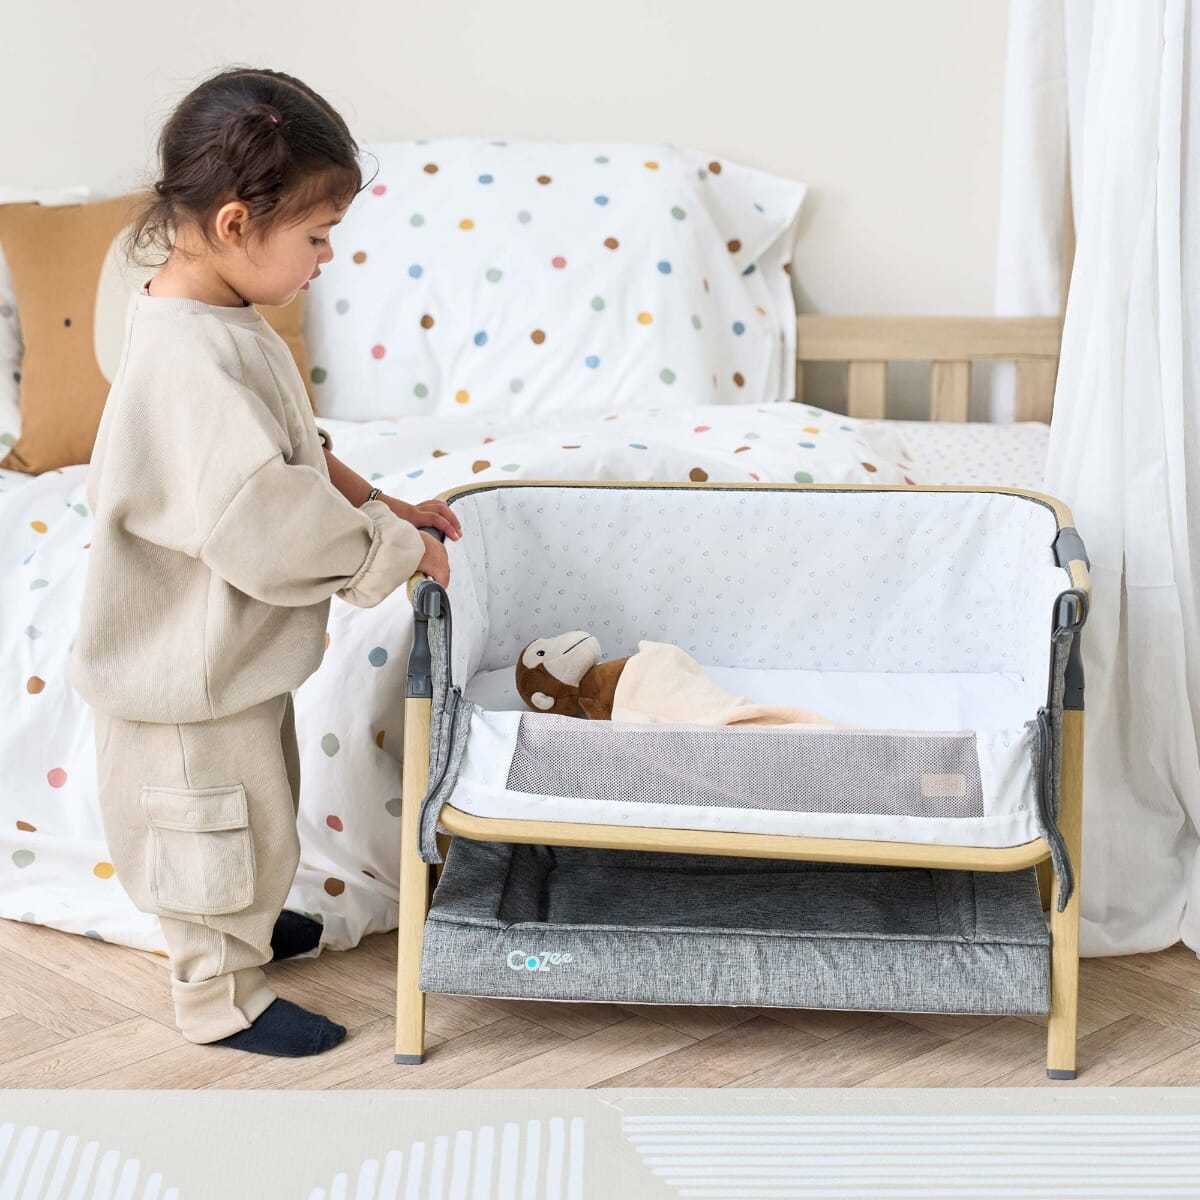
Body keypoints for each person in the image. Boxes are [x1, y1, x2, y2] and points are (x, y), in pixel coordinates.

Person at [68, 66, 459, 1058]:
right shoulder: (188, 362)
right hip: (179, 676)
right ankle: (217, 996)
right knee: (209, 837)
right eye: (317, 236)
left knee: (256, 811)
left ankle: (241, 929)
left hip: (226, 659)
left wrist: (379, 499)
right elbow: (267, 516)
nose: (328, 258)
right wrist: (392, 549)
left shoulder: (220, 319)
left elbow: (298, 449)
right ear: (238, 224)